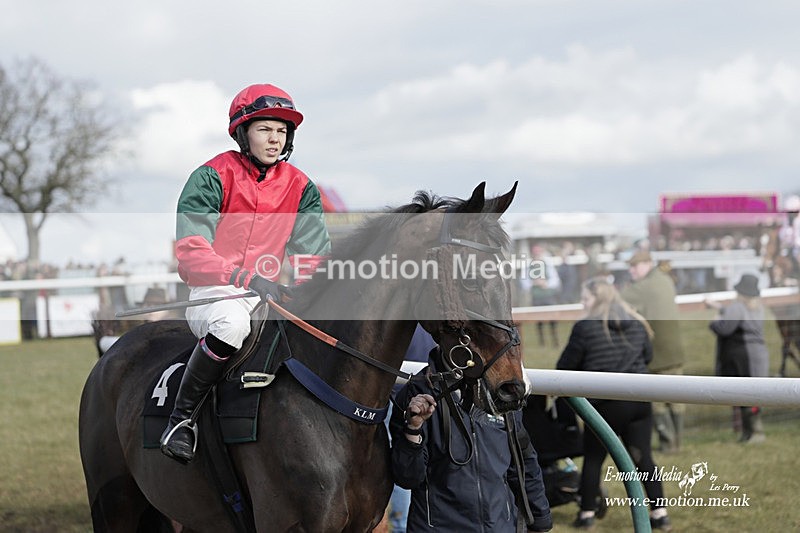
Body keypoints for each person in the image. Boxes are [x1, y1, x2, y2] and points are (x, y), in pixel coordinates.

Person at [160, 83, 331, 463]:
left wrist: (303, 292)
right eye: (265, 129)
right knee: (231, 325)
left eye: (282, 131)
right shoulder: (209, 176)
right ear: (243, 132)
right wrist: (244, 277)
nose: (275, 139)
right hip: (216, 295)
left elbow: (313, 255)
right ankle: (181, 419)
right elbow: (191, 253)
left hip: (269, 294)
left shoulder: (301, 186)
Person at [389, 349, 553, 533]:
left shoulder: (502, 390)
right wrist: (413, 429)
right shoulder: (416, 394)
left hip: (500, 526)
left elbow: (524, 462)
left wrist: (540, 522)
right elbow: (408, 477)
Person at [557, 277, 671, 531]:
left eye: (585, 298)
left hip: (605, 404)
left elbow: (565, 366)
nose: (582, 303)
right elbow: (648, 356)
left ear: (596, 299)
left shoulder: (585, 328)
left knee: (594, 458)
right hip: (639, 399)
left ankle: (587, 514)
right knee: (643, 458)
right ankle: (660, 513)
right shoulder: (637, 322)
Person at [621, 250, 687, 453]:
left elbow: (618, 299)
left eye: (635, 266)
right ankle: (678, 441)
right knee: (677, 398)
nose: (631, 270)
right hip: (675, 350)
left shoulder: (643, 287)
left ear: (648, 264)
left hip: (657, 352)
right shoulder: (665, 279)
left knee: (658, 401)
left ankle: (668, 444)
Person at [707, 273, 769, 443]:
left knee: (745, 396)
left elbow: (725, 328)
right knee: (755, 395)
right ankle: (754, 432)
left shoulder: (738, 307)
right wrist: (720, 307)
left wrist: (714, 322)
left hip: (743, 357)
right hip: (758, 356)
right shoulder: (757, 307)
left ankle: (753, 433)